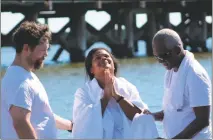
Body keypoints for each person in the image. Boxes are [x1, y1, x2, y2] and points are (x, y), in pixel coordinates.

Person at [1, 21, 72, 139]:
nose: (46, 55)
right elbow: (21, 123)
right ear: (26, 48)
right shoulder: (19, 81)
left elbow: (43, 115)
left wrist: (71, 126)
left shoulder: (27, 76)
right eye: (43, 50)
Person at [72, 48, 159, 139]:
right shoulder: (83, 92)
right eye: (98, 58)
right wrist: (106, 97)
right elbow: (82, 124)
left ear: (113, 65)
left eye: (106, 56)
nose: (104, 59)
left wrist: (117, 96)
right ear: (91, 69)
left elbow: (141, 116)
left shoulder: (127, 86)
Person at [146, 28, 212, 139]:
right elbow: (172, 111)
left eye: (163, 56)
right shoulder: (171, 70)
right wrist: (152, 116)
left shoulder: (195, 74)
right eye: (157, 57)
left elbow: (202, 121)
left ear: (177, 50)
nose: (160, 61)